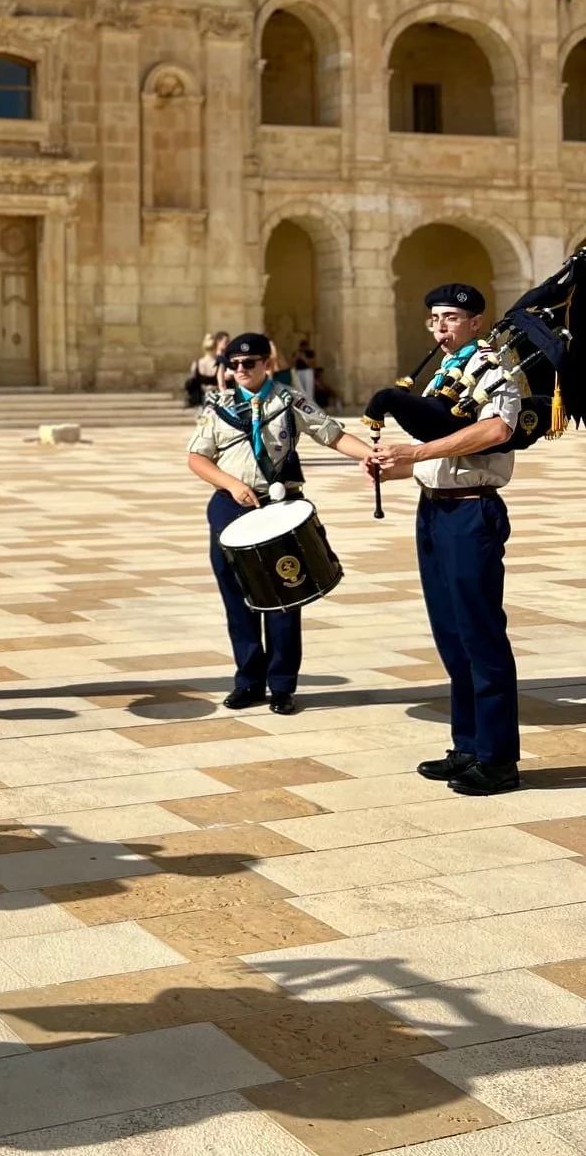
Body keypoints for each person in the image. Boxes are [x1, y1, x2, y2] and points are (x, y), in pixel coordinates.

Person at [367, 283, 522, 796]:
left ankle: (498, 760)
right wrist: (395, 466)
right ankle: (468, 746)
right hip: (434, 511)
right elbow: (438, 446)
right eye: (435, 317)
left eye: (452, 317)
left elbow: (496, 431)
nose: (441, 326)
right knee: (452, 636)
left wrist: (416, 452)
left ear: (477, 321)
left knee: (480, 635)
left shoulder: (496, 370)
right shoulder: (444, 376)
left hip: (471, 511)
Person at [188, 330, 373, 713]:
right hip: (231, 506)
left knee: (286, 595)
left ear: (267, 364)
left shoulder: (289, 401)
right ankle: (248, 681)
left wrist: (371, 457)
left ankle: (283, 685)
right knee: (238, 598)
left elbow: (332, 435)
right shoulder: (218, 406)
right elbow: (197, 458)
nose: (240, 370)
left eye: (249, 363)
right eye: (233, 364)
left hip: (280, 507)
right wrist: (231, 484)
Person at [185, 331, 228, 409]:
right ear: (216, 347)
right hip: (217, 399)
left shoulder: (196, 363)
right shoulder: (220, 363)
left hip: (201, 401)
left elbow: (194, 381)